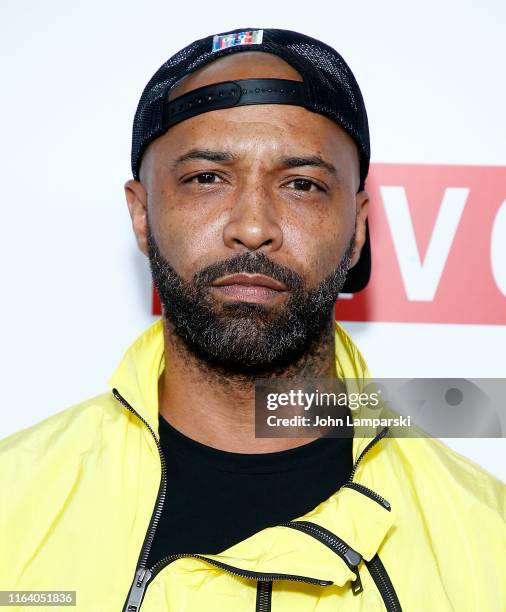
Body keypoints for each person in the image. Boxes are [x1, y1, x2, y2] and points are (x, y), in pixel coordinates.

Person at [0, 27, 504, 612]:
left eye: (301, 184)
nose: (253, 225)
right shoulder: (13, 505)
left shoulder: (486, 541)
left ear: (359, 227)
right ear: (141, 215)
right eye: (207, 178)